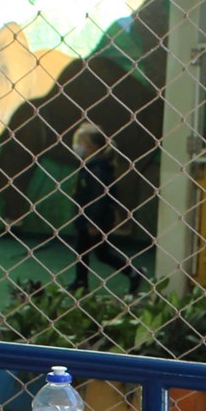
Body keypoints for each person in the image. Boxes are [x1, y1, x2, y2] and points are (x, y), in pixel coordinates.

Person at [68, 122, 137, 295]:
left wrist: (93, 223)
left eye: (81, 143)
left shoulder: (98, 168)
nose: (77, 147)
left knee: (102, 254)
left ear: (92, 146)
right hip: (86, 218)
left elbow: (99, 197)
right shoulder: (89, 166)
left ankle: (134, 273)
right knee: (81, 250)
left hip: (95, 219)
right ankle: (81, 281)